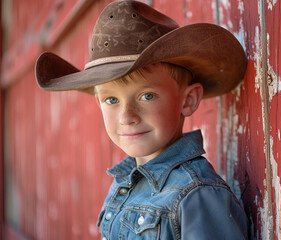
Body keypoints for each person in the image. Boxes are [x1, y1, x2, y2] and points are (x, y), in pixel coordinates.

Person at [35, 0, 248, 239]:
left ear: (188, 100)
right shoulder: (124, 181)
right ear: (98, 103)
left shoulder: (197, 196)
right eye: (111, 100)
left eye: (147, 96)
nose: (127, 117)